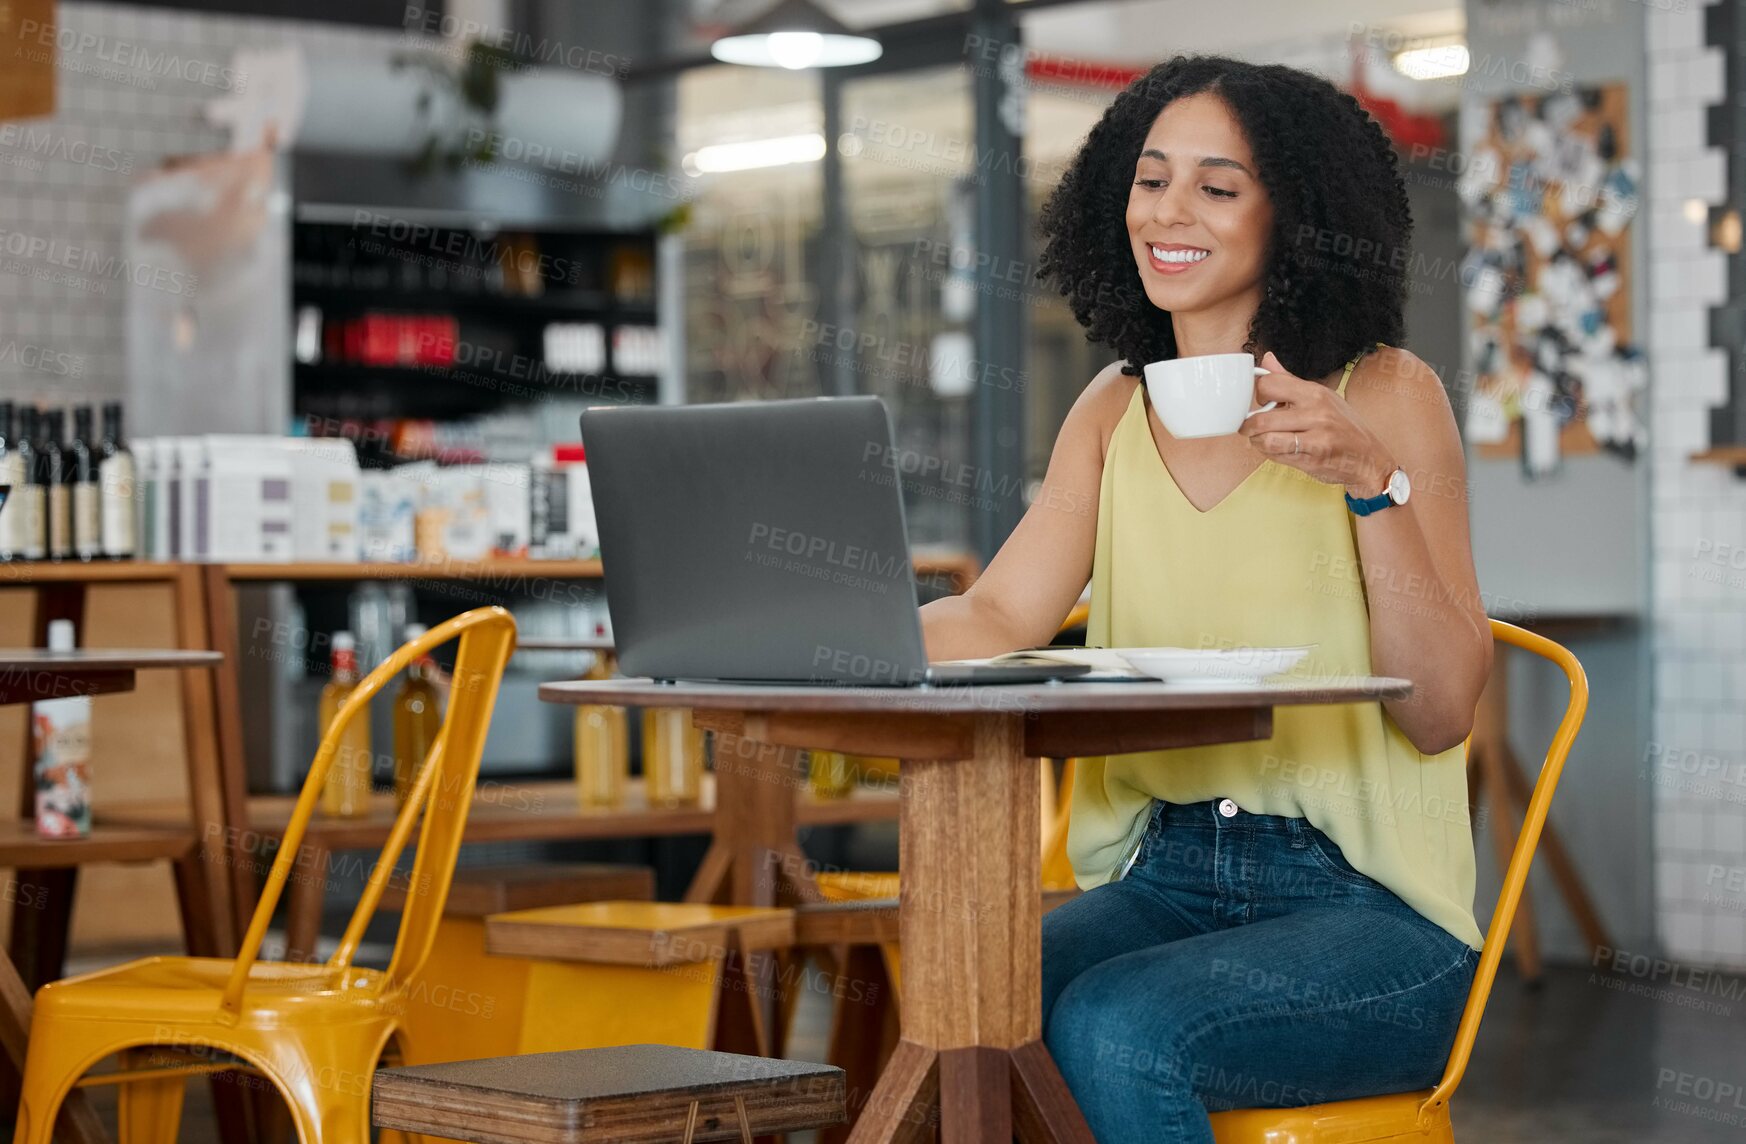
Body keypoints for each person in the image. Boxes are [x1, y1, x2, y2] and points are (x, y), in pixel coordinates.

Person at [919, 55, 1491, 1143]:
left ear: (1297, 221)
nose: (1168, 213)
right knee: (969, 998)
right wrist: (837, 643)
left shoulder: (1386, 395)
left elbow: (1443, 711)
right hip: (1168, 871)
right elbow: (998, 617)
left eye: (1217, 188)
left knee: (1118, 1027)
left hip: (1371, 913)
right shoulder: (1109, 410)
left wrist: (1372, 485)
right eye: (1150, 180)